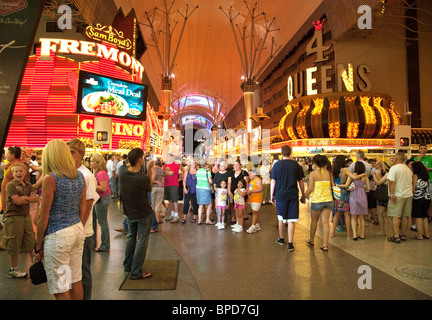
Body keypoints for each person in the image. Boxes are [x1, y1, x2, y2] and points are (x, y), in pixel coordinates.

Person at [34, 139, 87, 300]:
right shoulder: (79, 175)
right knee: (75, 279)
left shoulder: (51, 178)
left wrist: (38, 243)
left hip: (58, 236)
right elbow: (82, 207)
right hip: (76, 229)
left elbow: (44, 216)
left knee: (61, 287)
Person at [67, 139, 99, 300]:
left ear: (81, 154)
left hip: (83, 233)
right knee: (73, 272)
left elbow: (87, 206)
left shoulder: (86, 176)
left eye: (72, 152)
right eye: (67, 152)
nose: (69, 155)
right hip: (73, 231)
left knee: (82, 271)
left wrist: (78, 229)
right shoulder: (72, 174)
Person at [118, 148, 153, 280]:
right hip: (143, 213)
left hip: (129, 212)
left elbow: (125, 164)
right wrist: (149, 169)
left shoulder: (122, 173)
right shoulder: (142, 178)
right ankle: (136, 271)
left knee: (131, 237)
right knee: (142, 240)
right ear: (140, 160)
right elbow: (149, 186)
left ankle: (128, 265)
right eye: (142, 158)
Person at [4, 163, 39, 278]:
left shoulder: (28, 185)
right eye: (16, 171)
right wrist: (28, 199)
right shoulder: (10, 186)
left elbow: (35, 198)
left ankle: (35, 266)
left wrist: (24, 198)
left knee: (29, 240)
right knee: (14, 242)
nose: (18, 173)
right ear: (12, 173)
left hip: (25, 216)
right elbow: (18, 202)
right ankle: (13, 269)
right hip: (13, 217)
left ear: (25, 172)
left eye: (20, 171)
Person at [270, 145, 306, 252]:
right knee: (291, 219)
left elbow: (273, 181)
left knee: (281, 218)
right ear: (291, 153)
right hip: (293, 195)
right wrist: (303, 194)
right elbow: (301, 181)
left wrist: (272, 195)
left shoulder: (277, 165)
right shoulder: (296, 165)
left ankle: (282, 239)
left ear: (281, 153)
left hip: (280, 195)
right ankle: (290, 243)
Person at [305, 155, 333, 251]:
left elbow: (310, 188)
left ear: (315, 163)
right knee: (325, 222)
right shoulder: (329, 173)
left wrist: (304, 197)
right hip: (328, 200)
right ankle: (325, 245)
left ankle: (311, 239)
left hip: (317, 201)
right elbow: (332, 185)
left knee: (314, 221)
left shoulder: (313, 174)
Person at [338, 161, 370, 240]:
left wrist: (337, 185)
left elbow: (346, 185)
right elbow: (368, 188)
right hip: (362, 197)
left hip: (353, 196)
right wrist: (361, 187)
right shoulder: (365, 177)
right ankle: (362, 235)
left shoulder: (352, 176)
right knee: (362, 217)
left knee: (353, 216)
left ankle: (355, 235)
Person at [386, 152, 413, 243]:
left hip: (398, 195)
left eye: (393, 158)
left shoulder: (394, 168)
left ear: (396, 159)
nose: (393, 160)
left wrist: (392, 194)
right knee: (405, 216)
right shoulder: (408, 169)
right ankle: (403, 235)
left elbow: (392, 182)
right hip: (408, 195)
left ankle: (396, 236)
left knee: (395, 216)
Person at [89, 154, 112, 252]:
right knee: (93, 219)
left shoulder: (101, 173)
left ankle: (105, 246)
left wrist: (92, 184)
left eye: (92, 161)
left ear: (97, 163)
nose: (90, 163)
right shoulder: (98, 172)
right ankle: (92, 243)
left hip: (102, 199)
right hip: (99, 199)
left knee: (102, 223)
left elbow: (103, 188)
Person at [331, 155, 352, 238]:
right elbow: (351, 179)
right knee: (347, 214)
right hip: (343, 194)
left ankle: (332, 232)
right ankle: (348, 234)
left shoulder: (334, 171)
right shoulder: (345, 170)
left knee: (336, 214)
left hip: (336, 194)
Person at [372, 159, 393, 237]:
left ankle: (382, 231)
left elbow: (378, 183)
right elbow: (381, 181)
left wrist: (373, 175)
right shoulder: (391, 174)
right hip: (389, 196)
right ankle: (394, 230)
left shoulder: (388, 174)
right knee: (388, 215)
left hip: (383, 196)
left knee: (380, 214)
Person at [411, 161, 431, 240]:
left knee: (418, 217)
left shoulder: (415, 176)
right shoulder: (426, 176)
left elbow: (414, 188)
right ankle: (427, 234)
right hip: (427, 198)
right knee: (425, 216)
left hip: (418, 198)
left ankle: (420, 235)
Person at [228, 160, 249, 224]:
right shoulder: (231, 173)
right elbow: (229, 183)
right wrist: (229, 191)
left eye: (237, 164)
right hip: (234, 193)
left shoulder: (244, 173)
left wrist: (246, 191)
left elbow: (247, 183)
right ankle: (237, 221)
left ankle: (240, 223)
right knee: (235, 207)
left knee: (241, 208)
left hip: (241, 193)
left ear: (240, 165)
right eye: (234, 165)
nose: (236, 166)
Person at [414, 143, 432, 219]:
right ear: (419, 150)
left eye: (424, 148)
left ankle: (430, 215)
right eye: (421, 148)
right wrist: (419, 158)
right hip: (419, 182)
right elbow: (415, 168)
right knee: (420, 199)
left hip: (429, 180)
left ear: (427, 149)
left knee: (429, 199)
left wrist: (429, 169)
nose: (423, 150)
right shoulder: (415, 159)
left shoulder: (430, 158)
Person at [213, 161, 232, 227]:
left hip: (225, 192)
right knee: (218, 207)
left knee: (225, 207)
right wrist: (216, 189)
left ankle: (224, 221)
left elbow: (229, 183)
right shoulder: (217, 173)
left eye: (223, 166)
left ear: (225, 167)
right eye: (220, 166)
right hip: (218, 192)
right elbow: (214, 183)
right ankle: (219, 221)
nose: (222, 167)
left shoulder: (228, 174)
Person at [163, 153, 180, 223]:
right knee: (170, 200)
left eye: (170, 156)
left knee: (174, 200)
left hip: (173, 184)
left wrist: (165, 172)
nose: (168, 157)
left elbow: (171, 173)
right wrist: (167, 172)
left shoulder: (176, 164)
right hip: (166, 184)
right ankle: (172, 214)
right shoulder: (166, 165)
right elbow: (164, 173)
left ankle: (176, 215)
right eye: (168, 156)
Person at [196, 160, 213, 225]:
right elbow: (210, 181)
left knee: (200, 205)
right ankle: (207, 220)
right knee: (209, 204)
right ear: (205, 165)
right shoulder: (207, 172)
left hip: (198, 189)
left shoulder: (197, 172)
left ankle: (199, 220)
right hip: (205, 189)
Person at [246, 168, 263, 234]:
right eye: (249, 174)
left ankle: (253, 226)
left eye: (250, 174)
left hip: (256, 199)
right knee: (255, 212)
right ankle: (257, 224)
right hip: (251, 199)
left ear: (255, 173)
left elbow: (260, 189)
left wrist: (251, 191)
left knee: (254, 213)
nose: (249, 175)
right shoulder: (251, 181)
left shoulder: (258, 180)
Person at [182, 158, 199, 223]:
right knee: (186, 203)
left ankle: (195, 216)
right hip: (188, 188)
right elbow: (184, 180)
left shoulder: (198, 171)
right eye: (192, 162)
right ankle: (184, 217)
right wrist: (184, 188)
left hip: (195, 189)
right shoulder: (187, 171)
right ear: (190, 164)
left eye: (194, 162)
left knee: (195, 203)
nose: (194, 164)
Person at [151, 158, 165, 226]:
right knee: (158, 204)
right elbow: (163, 180)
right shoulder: (161, 170)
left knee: (152, 203)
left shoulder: (152, 169)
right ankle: (157, 219)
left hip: (153, 187)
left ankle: (152, 219)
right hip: (160, 187)